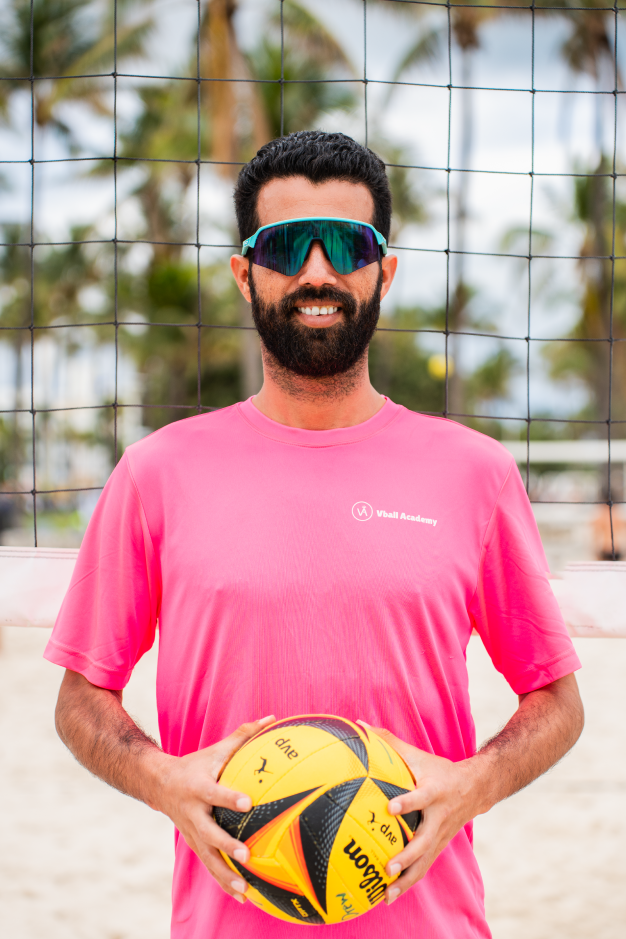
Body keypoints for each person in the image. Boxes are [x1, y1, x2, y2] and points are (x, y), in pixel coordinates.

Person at [46, 131, 584, 939]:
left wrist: (470, 783)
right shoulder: (157, 472)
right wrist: (165, 778)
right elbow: (81, 697)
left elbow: (557, 702)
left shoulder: (475, 472)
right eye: (289, 245)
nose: (318, 273)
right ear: (244, 272)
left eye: (349, 245)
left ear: (384, 272)